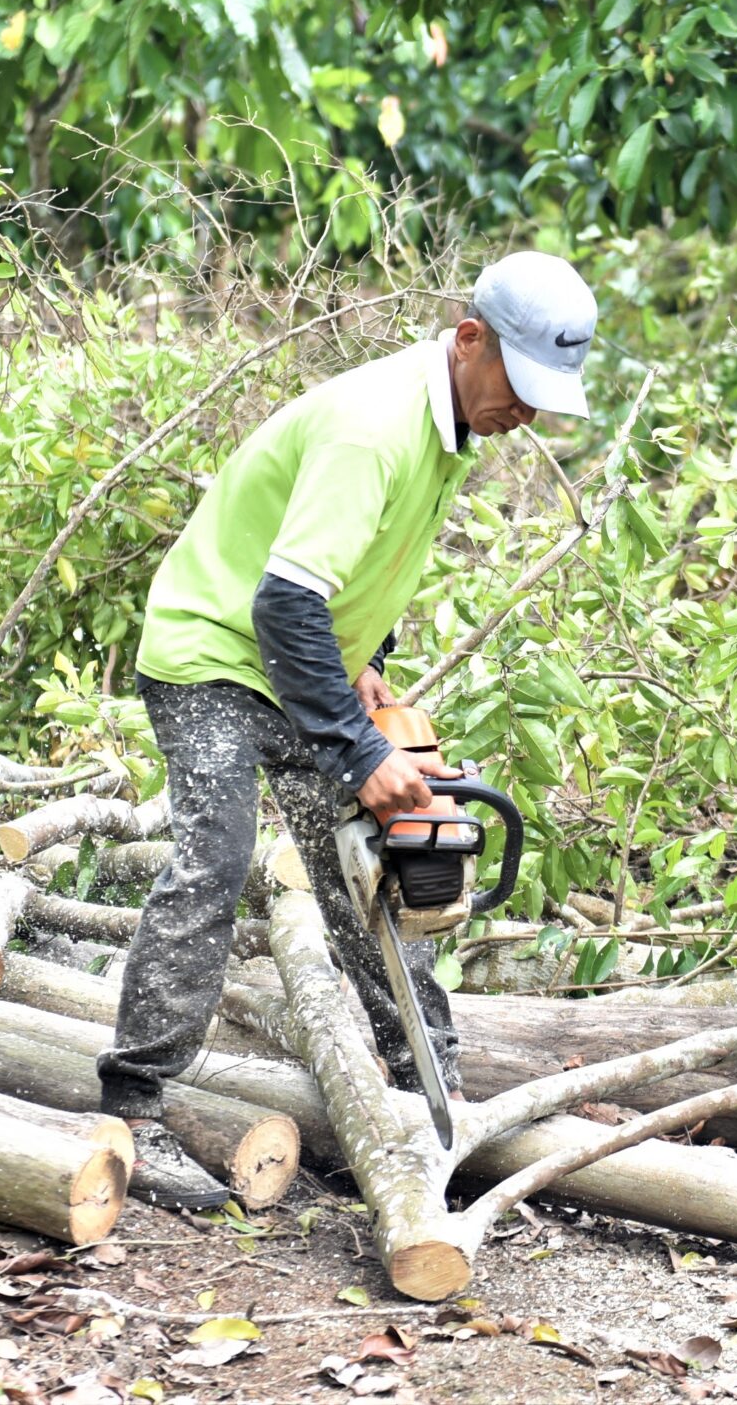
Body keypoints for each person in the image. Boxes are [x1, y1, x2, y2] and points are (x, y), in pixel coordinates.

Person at [99, 252, 600, 1208]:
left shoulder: (446, 425)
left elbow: (358, 564)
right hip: (213, 647)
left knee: (380, 860)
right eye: (521, 388)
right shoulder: (377, 427)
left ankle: (429, 1090)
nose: (527, 415)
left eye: (546, 397)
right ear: (469, 341)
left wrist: (364, 660)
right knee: (217, 855)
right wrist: (361, 749)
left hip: (294, 661)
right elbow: (285, 601)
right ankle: (137, 1107)